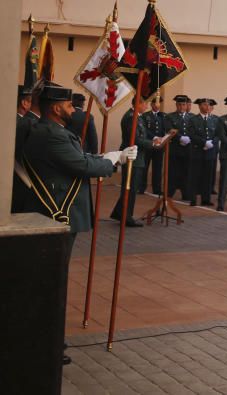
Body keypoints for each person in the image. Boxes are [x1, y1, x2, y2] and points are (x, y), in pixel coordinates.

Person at [20, 84, 135, 365]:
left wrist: (106, 158)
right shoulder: (50, 135)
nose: (74, 110)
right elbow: (82, 167)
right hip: (58, 214)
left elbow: (80, 160)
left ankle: (49, 338)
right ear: (56, 108)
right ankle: (47, 344)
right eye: (69, 105)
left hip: (58, 214)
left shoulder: (52, 132)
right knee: (52, 282)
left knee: (51, 279)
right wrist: (113, 161)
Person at [110, 96, 154, 226]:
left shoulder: (137, 116)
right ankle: (126, 217)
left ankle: (120, 213)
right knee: (130, 188)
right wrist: (152, 144)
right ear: (138, 104)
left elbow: (142, 135)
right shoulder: (131, 117)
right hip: (132, 157)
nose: (146, 106)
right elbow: (135, 139)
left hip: (137, 156)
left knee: (130, 188)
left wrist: (154, 139)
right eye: (145, 104)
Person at [188, 98, 219, 207]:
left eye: (209, 105)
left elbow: (218, 134)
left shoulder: (215, 119)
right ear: (200, 106)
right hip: (197, 151)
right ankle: (193, 198)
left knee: (208, 176)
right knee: (195, 176)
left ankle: (206, 199)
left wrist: (212, 143)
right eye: (205, 105)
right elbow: (192, 134)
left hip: (210, 151)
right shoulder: (193, 119)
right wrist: (204, 143)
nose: (207, 107)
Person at [164, 94, 194, 200]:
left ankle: (186, 193)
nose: (181, 107)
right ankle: (169, 192)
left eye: (184, 104)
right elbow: (168, 128)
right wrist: (180, 138)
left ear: (187, 105)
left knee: (187, 171)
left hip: (188, 148)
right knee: (172, 171)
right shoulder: (170, 117)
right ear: (176, 105)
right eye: (179, 104)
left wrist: (189, 138)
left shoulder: (192, 117)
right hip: (175, 148)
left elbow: (195, 130)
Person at [140, 96, 167, 195]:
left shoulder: (164, 116)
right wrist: (154, 137)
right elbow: (144, 130)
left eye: (159, 103)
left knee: (158, 168)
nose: (157, 105)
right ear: (151, 104)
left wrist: (163, 139)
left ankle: (157, 188)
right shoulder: (145, 116)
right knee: (144, 167)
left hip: (159, 146)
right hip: (148, 145)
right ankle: (141, 187)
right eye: (155, 103)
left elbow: (166, 129)